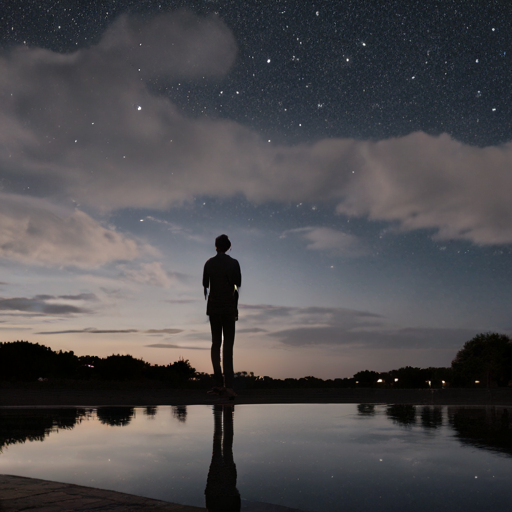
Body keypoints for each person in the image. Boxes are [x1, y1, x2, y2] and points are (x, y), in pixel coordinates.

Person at [203, 234, 241, 399]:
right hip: (228, 308)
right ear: (228, 246)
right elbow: (235, 287)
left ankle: (218, 383)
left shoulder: (209, 263)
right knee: (228, 347)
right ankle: (229, 386)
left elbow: (206, 286)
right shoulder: (233, 263)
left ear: (216, 246)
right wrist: (235, 307)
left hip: (214, 308)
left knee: (215, 345)